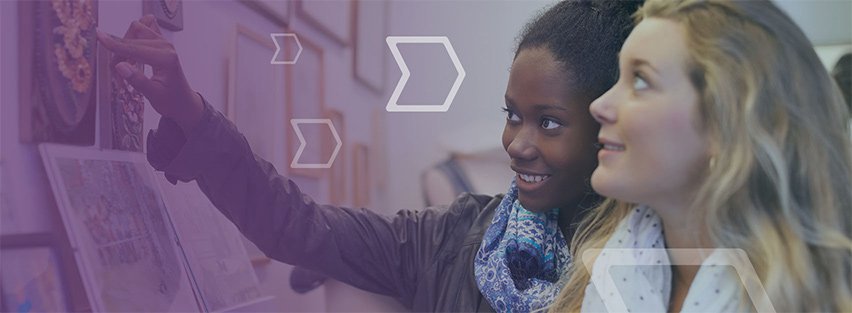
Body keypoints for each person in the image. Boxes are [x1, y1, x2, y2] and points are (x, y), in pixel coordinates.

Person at [97, 1, 641, 311]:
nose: (518, 144)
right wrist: (191, 114)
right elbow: (299, 227)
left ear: (608, 125)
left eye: (548, 122)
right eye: (511, 115)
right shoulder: (455, 238)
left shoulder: (651, 267)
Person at [548, 0, 852, 312]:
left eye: (640, 80)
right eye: (619, 78)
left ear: (724, 125)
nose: (599, 106)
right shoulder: (602, 277)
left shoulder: (810, 301)